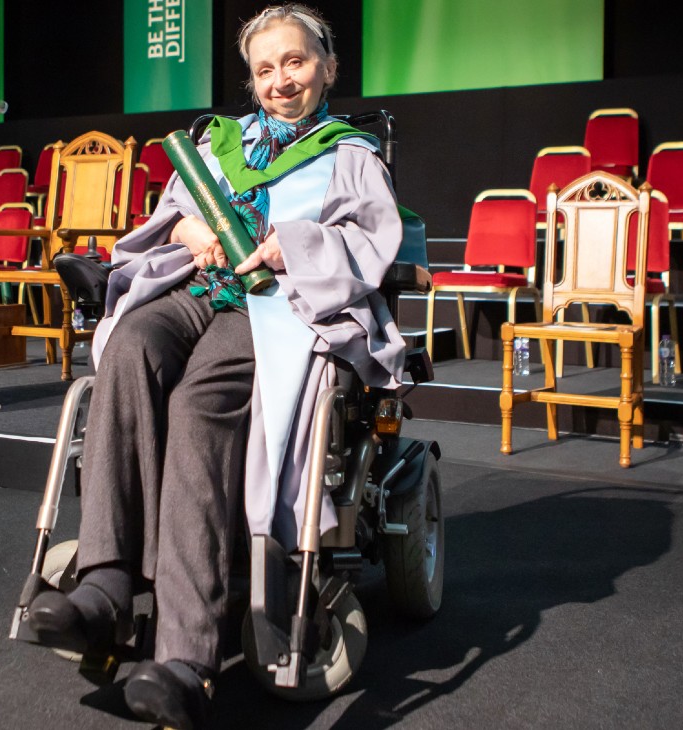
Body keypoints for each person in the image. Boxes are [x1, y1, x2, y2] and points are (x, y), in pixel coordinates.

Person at [25, 5, 407, 728]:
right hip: (196, 288)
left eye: (294, 63)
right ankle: (105, 585)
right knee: (130, 343)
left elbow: (370, 240)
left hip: (270, 305)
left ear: (328, 67)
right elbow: (168, 221)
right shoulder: (215, 144)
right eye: (265, 70)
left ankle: (184, 660)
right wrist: (189, 225)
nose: (280, 81)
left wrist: (291, 244)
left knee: (199, 401)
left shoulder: (349, 152)